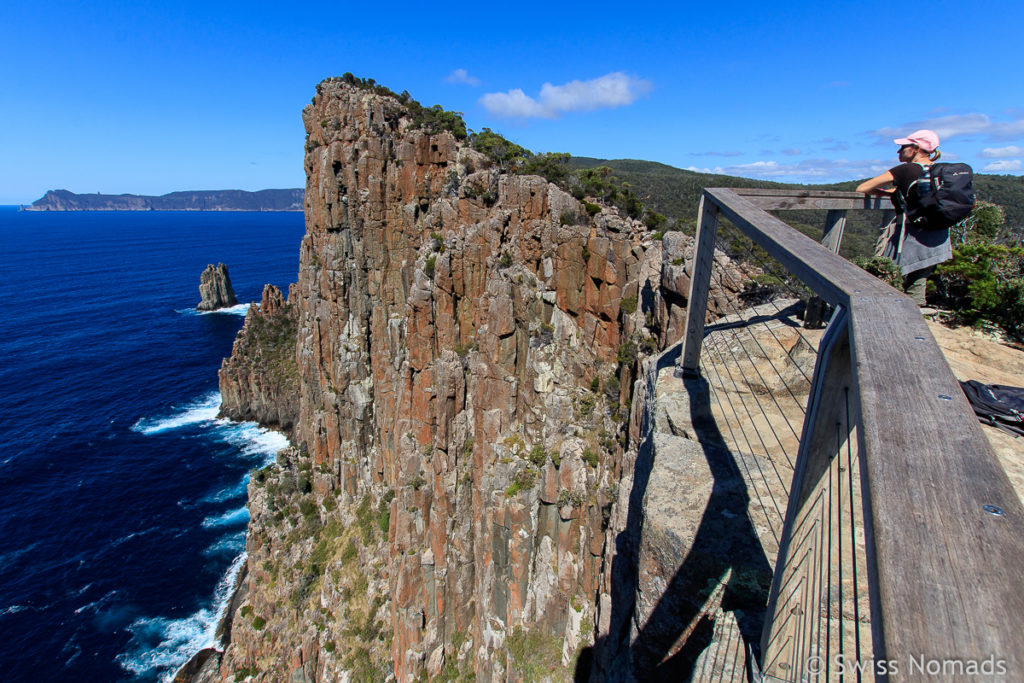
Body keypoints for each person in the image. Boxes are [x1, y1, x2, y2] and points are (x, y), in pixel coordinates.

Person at [856, 129, 951, 307]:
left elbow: (863, 188)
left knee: (885, 277)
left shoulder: (906, 169)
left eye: (902, 147)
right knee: (917, 284)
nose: (898, 151)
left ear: (915, 148)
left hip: (912, 236)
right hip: (939, 235)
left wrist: (882, 193)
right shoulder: (939, 170)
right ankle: (916, 322)